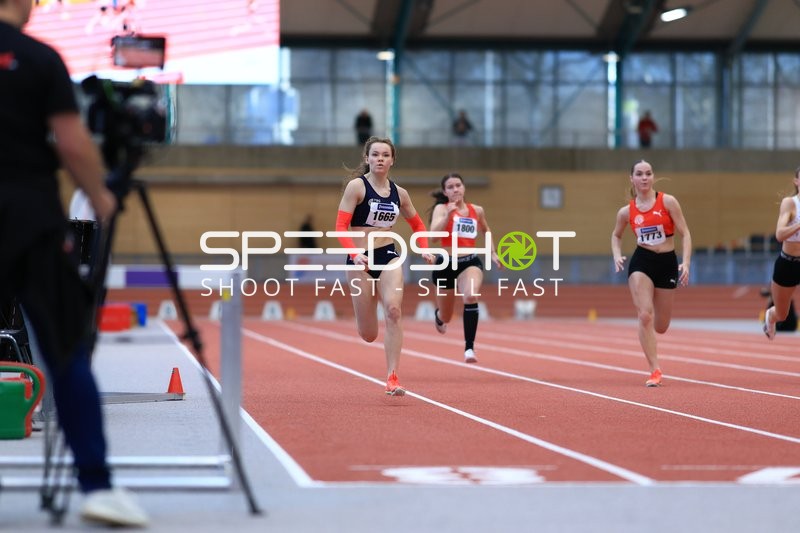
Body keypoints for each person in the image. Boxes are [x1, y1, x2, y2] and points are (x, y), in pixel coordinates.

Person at [0, 0, 148, 526]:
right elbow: (71, 141)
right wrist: (102, 199)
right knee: (66, 351)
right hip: (28, 219)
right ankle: (97, 486)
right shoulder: (39, 59)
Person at [335, 136, 434, 396]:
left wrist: (423, 248)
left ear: (392, 160)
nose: (380, 159)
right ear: (367, 158)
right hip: (360, 260)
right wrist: (355, 254)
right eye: (375, 154)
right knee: (368, 333)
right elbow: (340, 227)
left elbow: (418, 225)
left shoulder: (399, 193)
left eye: (385, 155)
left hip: (388, 254)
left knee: (393, 310)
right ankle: (369, 329)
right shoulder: (356, 187)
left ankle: (392, 376)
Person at [611, 160, 692, 387]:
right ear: (632, 179)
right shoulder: (626, 212)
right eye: (639, 174)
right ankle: (654, 369)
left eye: (648, 173)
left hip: (667, 261)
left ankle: (654, 339)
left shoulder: (668, 202)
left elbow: (686, 234)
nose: (644, 178)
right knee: (645, 315)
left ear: (653, 177)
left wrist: (685, 263)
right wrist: (616, 255)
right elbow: (616, 235)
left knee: (661, 326)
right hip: (642, 261)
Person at [428, 173, 499, 364]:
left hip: (470, 261)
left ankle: (469, 348)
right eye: (450, 187)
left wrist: (492, 252)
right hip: (445, 263)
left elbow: (486, 230)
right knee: (447, 316)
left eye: (458, 185)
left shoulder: (477, 210)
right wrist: (449, 216)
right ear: (445, 191)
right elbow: (433, 237)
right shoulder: (441, 209)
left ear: (464, 187)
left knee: (470, 296)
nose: (455, 189)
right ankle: (439, 317)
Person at [762, 166, 800, 340]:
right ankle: (771, 315)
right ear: (796, 181)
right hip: (788, 264)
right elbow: (779, 234)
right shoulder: (790, 203)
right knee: (782, 314)